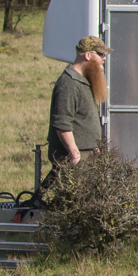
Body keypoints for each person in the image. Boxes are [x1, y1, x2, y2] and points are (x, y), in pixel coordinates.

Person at [46, 35, 108, 182]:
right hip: (74, 158)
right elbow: (62, 124)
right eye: (101, 54)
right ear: (87, 55)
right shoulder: (69, 84)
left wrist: (95, 146)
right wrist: (74, 154)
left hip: (87, 154)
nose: (104, 58)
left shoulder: (84, 81)